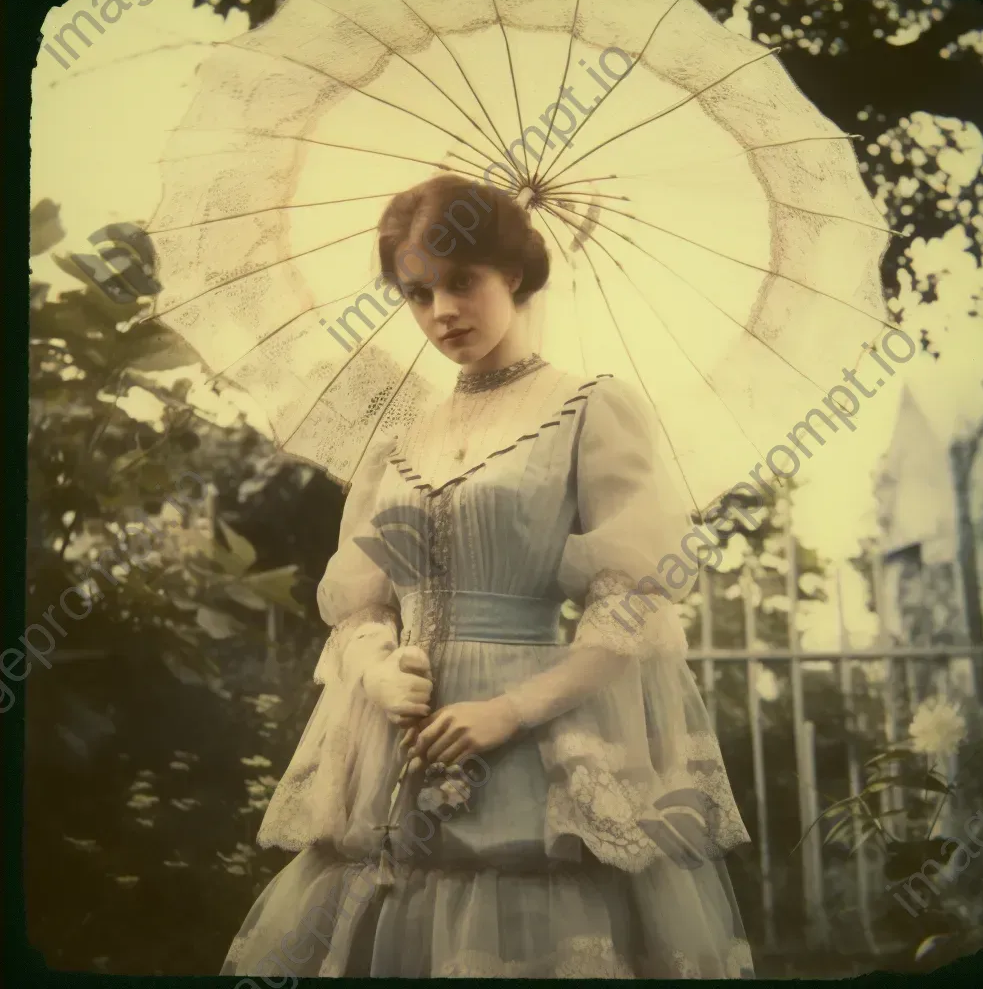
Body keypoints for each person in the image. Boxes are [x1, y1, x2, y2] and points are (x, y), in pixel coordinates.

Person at [221, 174, 754, 979]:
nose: (442, 313)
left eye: (462, 282)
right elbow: (360, 600)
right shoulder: (400, 439)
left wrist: (511, 710)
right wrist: (374, 669)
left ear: (517, 274)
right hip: (397, 739)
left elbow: (633, 601)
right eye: (418, 293)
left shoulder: (589, 408)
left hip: (527, 740)